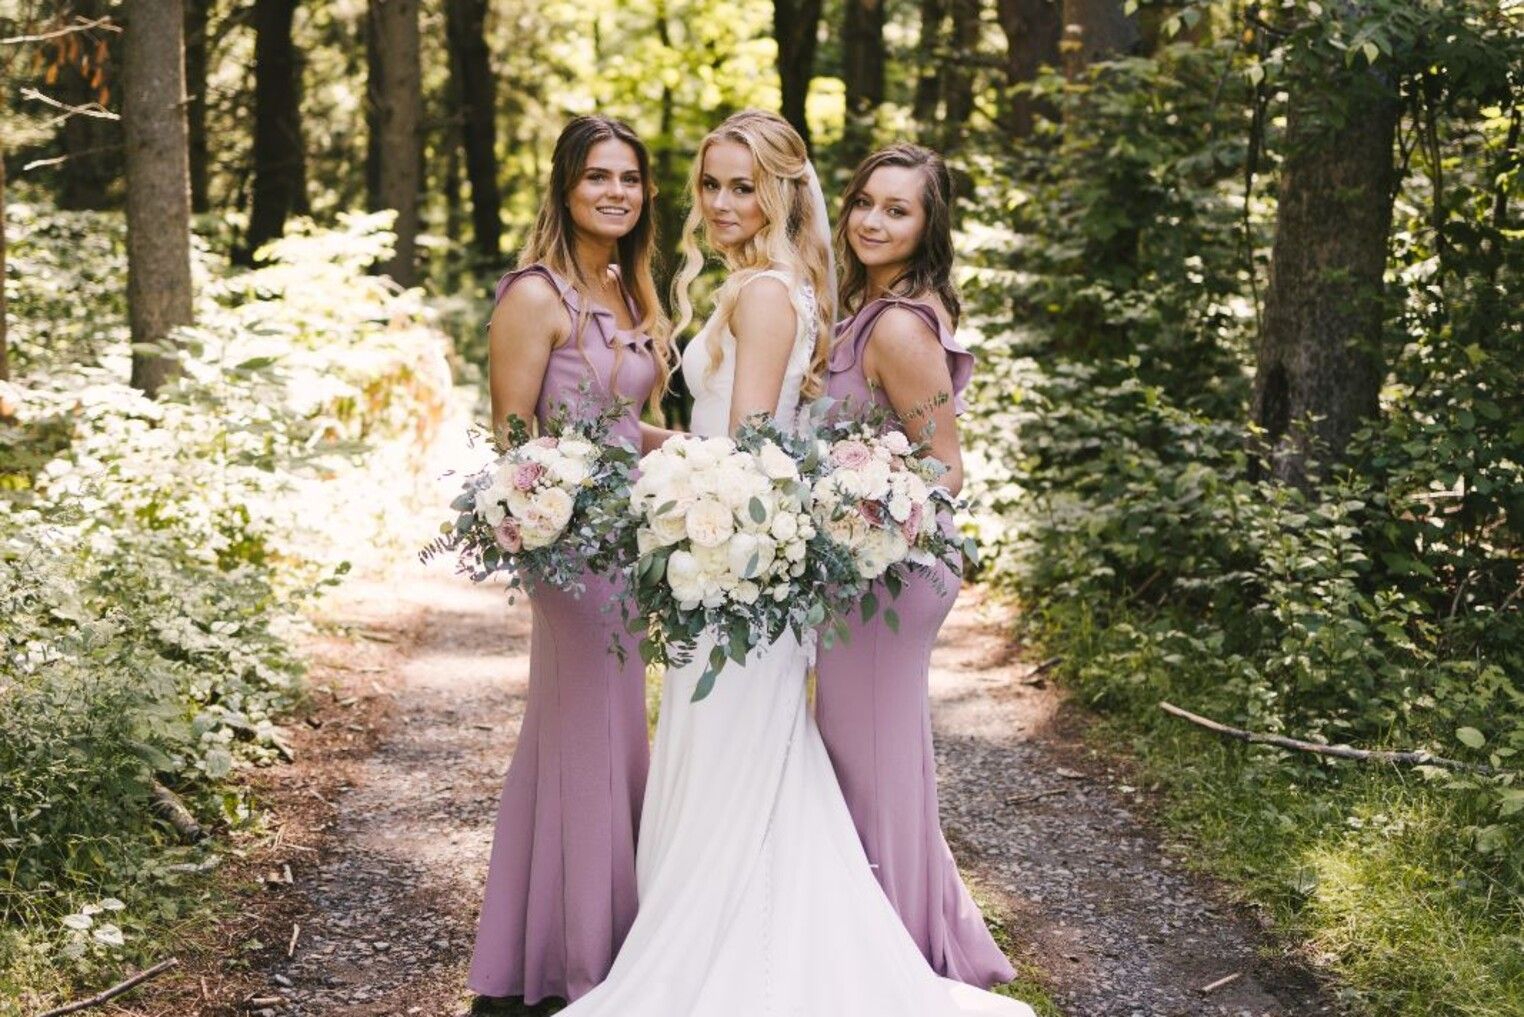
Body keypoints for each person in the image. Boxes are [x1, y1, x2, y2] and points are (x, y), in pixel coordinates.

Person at [556, 110, 1035, 1017]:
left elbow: (748, 450)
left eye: (745, 186)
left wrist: (681, 504)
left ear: (780, 191)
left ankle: (731, 950)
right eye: (710, 184)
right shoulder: (781, 290)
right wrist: (631, 443)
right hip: (738, 548)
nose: (723, 202)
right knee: (745, 755)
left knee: (737, 754)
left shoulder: (770, 294)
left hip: (733, 557)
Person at [466, 115, 672, 1007]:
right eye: (598, 177)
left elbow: (625, 430)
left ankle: (540, 954)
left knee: (599, 735)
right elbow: (518, 442)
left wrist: (711, 457)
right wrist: (562, 516)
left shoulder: (628, 291)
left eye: (629, 178)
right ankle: (585, 966)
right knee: (592, 737)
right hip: (570, 545)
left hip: (628, 542)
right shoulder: (535, 296)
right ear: (564, 187)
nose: (615, 191)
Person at [815, 143, 1015, 988]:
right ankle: (896, 927)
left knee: (871, 757)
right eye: (865, 201)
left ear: (928, 226)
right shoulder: (864, 307)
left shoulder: (897, 323)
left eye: (897, 209)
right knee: (864, 752)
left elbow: (945, 465)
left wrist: (855, 502)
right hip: (862, 563)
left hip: (889, 569)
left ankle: (897, 952)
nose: (872, 219)